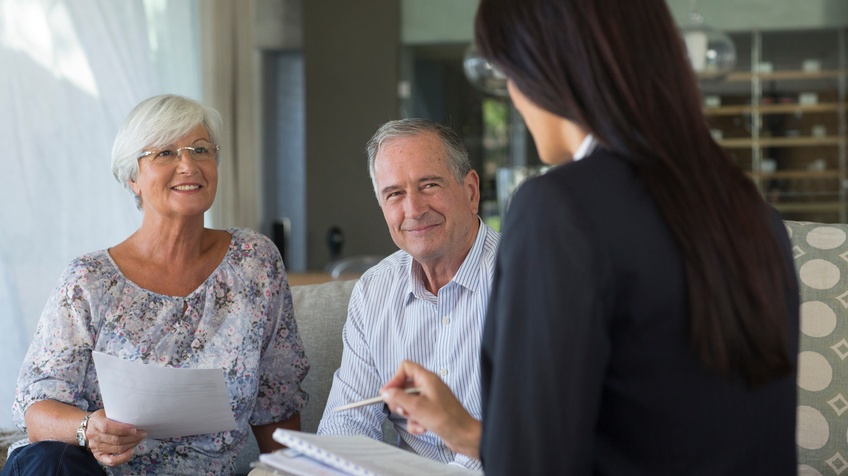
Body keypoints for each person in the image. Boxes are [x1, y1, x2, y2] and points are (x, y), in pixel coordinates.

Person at [382, 0, 800, 474]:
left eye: (509, 75)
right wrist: (466, 431)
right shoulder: (749, 210)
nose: (514, 99)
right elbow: (653, 434)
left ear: (542, 69)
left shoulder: (559, 210)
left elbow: (536, 465)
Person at [3, 94, 309, 476]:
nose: (188, 165)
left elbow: (275, 400)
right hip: (87, 470)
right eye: (165, 153)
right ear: (133, 178)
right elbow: (37, 409)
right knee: (50, 463)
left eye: (200, 149)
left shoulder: (254, 262)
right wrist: (87, 428)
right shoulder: (89, 279)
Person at [316, 118, 499, 471]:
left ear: (471, 191)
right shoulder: (373, 291)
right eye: (395, 194)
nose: (413, 210)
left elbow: (530, 435)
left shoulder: (527, 281)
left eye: (429, 185)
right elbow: (347, 426)